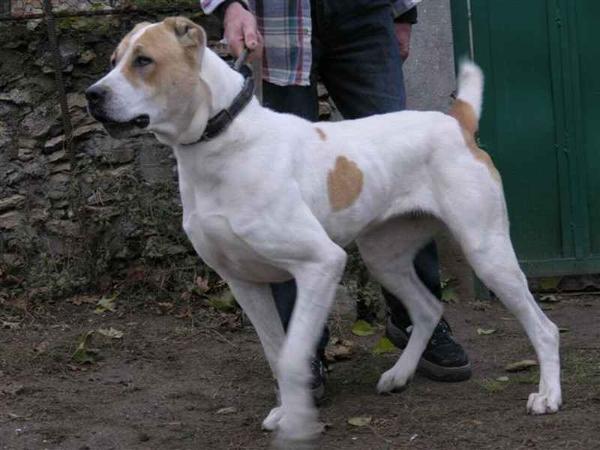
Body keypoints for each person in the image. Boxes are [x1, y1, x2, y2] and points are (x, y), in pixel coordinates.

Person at [201, 0, 472, 398]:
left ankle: (416, 319)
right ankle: (302, 349)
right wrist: (228, 5)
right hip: (279, 23)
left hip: (364, 15)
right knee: (279, 194)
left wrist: (403, 12)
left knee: (403, 170)